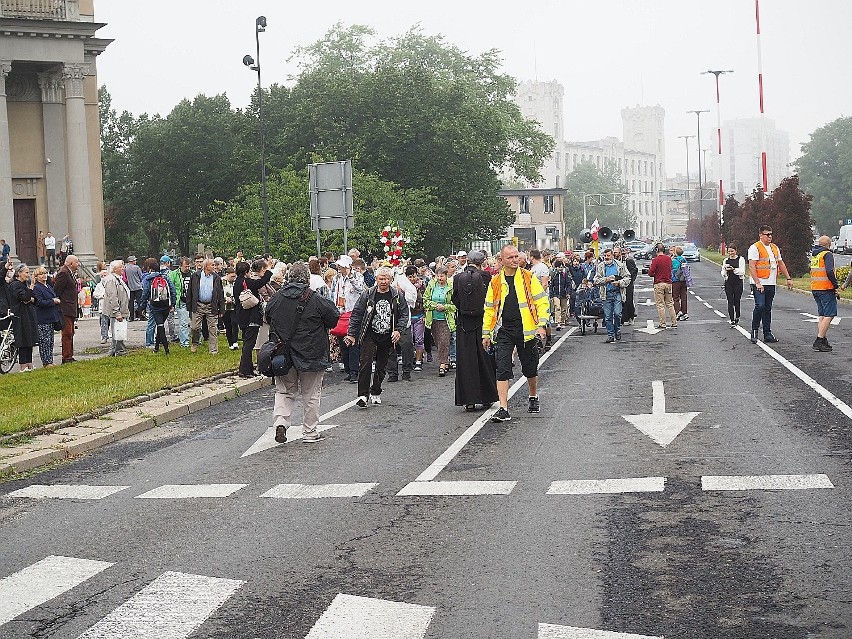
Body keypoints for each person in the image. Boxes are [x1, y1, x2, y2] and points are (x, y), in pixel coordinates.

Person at [264, 262, 340, 444]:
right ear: (307, 279)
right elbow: (333, 317)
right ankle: (310, 432)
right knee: (311, 394)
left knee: (284, 391)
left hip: (284, 354)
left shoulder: (276, 298)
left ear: (288, 278)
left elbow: (268, 317)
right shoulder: (315, 298)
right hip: (311, 353)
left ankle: (281, 422)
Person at [482, 244, 550, 422]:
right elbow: (489, 309)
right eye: (510, 257)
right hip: (504, 331)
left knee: (530, 369)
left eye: (516, 256)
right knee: (502, 369)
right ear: (502, 260)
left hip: (526, 332)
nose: (514, 260)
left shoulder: (528, 277)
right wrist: (486, 333)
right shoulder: (495, 281)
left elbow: (542, 302)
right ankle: (503, 408)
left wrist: (541, 325)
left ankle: (533, 396)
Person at [345, 266, 410, 408]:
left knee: (381, 366)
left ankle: (376, 390)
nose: (384, 281)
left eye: (387, 278)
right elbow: (357, 314)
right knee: (365, 363)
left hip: (388, 335)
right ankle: (363, 395)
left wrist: (398, 330)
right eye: (381, 278)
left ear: (391, 279)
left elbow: (405, 314)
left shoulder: (397, 295)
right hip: (370, 334)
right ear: (376, 279)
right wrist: (351, 334)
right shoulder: (367, 294)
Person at [451, 250, 498, 410]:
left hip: (464, 324)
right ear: (482, 262)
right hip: (482, 322)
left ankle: (468, 400)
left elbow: (455, 300)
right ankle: (487, 397)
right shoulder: (486, 277)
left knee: (466, 361)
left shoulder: (457, 278)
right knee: (485, 359)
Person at [747, 225, 793, 344]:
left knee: (767, 308)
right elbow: (752, 266)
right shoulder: (755, 248)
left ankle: (767, 333)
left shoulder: (774, 248)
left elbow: (780, 263)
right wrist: (757, 283)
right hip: (759, 283)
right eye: (767, 234)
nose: (770, 237)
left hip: (771, 282)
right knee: (760, 306)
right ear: (761, 235)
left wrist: (788, 278)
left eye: (771, 234)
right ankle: (754, 330)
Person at [234, 259, 271, 376]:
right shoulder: (247, 282)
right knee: (249, 344)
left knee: (247, 343)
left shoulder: (237, 282)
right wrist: (267, 271)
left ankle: (247, 367)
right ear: (246, 271)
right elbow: (261, 282)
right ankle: (245, 370)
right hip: (251, 317)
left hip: (241, 316)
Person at [330, 255, 365, 383]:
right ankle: (348, 370)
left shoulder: (357, 276)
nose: (339, 267)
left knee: (353, 343)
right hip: (341, 313)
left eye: (341, 265)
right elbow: (332, 294)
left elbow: (360, 289)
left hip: (353, 314)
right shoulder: (336, 278)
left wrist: (350, 277)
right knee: (342, 343)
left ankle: (355, 371)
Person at [138, 256, 177, 355]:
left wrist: (142, 307)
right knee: (160, 325)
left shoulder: (148, 279)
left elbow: (145, 293)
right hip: (165, 306)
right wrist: (172, 304)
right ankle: (156, 347)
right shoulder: (165, 277)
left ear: (150, 269)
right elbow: (173, 291)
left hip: (154, 306)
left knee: (159, 326)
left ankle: (166, 350)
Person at [593, 248, 631, 343]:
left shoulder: (620, 265)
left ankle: (617, 330)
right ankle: (610, 335)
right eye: (605, 256)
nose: (606, 257)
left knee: (617, 314)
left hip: (617, 293)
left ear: (612, 256)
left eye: (608, 255)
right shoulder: (601, 266)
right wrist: (606, 279)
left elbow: (628, 278)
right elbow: (596, 280)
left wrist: (619, 283)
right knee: (608, 317)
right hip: (606, 294)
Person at [188, 257, 225, 354]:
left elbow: (221, 293)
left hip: (211, 306)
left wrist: (221, 309)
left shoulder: (216, 277)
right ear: (206, 266)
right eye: (212, 265)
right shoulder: (196, 276)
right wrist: (190, 306)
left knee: (213, 328)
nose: (214, 266)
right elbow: (190, 292)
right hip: (198, 305)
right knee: (194, 327)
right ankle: (195, 343)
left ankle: (213, 350)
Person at [424, 266, 456, 377]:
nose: (439, 278)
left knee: (444, 341)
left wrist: (445, 307)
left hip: (446, 319)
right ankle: (445, 360)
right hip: (433, 318)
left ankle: (442, 364)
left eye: (442, 276)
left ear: (446, 276)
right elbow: (425, 300)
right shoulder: (431, 285)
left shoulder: (451, 287)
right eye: (437, 276)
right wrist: (435, 305)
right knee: (438, 342)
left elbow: (455, 305)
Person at [810, 235, 839, 352]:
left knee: (822, 315)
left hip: (815, 288)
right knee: (830, 314)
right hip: (826, 288)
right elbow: (829, 271)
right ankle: (819, 339)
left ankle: (823, 339)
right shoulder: (827, 254)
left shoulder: (816, 255)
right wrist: (835, 286)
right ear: (828, 244)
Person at [8, 264, 37, 371]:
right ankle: (23, 365)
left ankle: (29, 364)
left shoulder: (23, 284)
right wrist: (31, 287)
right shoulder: (15, 285)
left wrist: (30, 297)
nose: (28, 275)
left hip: (27, 314)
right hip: (20, 315)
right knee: (23, 340)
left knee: (29, 339)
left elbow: (33, 299)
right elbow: (25, 298)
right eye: (26, 272)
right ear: (19, 273)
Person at [32, 266, 61, 367]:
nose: (44, 275)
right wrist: (52, 301)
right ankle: (46, 362)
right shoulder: (37, 288)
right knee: (44, 341)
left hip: (51, 316)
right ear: (36, 277)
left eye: (45, 273)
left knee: (50, 341)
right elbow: (39, 302)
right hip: (42, 318)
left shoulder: (48, 286)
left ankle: (50, 360)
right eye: (41, 274)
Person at [52, 254, 79, 363]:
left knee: (71, 332)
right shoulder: (63, 273)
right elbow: (57, 290)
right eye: (76, 262)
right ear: (71, 263)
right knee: (67, 332)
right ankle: (66, 356)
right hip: (65, 307)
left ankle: (70, 355)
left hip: (71, 307)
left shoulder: (70, 273)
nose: (78, 265)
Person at [102, 259, 131, 356]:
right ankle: (120, 351)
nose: (123, 268)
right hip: (115, 312)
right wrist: (117, 312)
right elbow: (112, 297)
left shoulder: (118, 278)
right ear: (114, 269)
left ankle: (113, 351)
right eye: (121, 267)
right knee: (118, 331)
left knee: (118, 331)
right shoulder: (111, 280)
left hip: (120, 310)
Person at [648, 243, 677, 330]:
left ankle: (663, 323)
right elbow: (670, 269)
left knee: (660, 305)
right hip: (668, 283)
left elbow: (650, 273)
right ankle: (674, 322)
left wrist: (654, 273)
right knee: (670, 304)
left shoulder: (655, 260)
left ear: (656, 250)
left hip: (659, 283)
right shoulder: (669, 259)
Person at [721, 245, 746, 326]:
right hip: (729, 283)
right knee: (730, 301)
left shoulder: (740, 259)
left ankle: (737, 316)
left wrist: (734, 269)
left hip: (738, 282)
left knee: (737, 300)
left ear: (736, 251)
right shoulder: (726, 260)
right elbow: (722, 273)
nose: (731, 253)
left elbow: (742, 272)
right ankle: (731, 319)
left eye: (732, 251)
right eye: (729, 252)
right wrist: (725, 270)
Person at [170, 256, 192, 348]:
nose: (187, 268)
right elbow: (171, 288)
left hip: (192, 301)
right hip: (181, 301)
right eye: (185, 266)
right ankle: (184, 342)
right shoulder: (174, 274)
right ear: (180, 266)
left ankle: (197, 340)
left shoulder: (193, 274)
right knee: (183, 323)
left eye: (189, 266)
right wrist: (172, 302)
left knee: (196, 323)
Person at [222, 267, 239, 350]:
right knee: (227, 325)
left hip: (234, 306)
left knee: (235, 323)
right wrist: (225, 298)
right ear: (227, 275)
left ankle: (235, 341)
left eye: (234, 276)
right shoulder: (221, 282)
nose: (233, 278)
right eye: (232, 276)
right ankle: (230, 343)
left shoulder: (236, 282)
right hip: (225, 307)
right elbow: (219, 292)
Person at [671, 246, 689, 321]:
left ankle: (678, 312)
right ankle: (685, 312)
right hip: (683, 280)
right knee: (683, 297)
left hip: (675, 280)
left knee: (675, 297)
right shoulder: (684, 259)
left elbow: (671, 269)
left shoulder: (673, 260)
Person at [622, 248, 639, 325]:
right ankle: (623, 318)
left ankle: (630, 317)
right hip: (620, 283)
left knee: (628, 300)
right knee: (621, 301)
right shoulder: (616, 262)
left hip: (628, 283)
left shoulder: (629, 261)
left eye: (623, 253)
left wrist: (631, 279)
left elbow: (634, 270)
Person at [124, 256, 143, 321]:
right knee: (139, 302)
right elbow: (141, 277)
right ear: (132, 261)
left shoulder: (125, 268)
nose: (135, 261)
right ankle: (140, 316)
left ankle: (131, 316)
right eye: (134, 260)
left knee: (130, 303)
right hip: (138, 287)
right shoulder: (137, 268)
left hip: (130, 287)